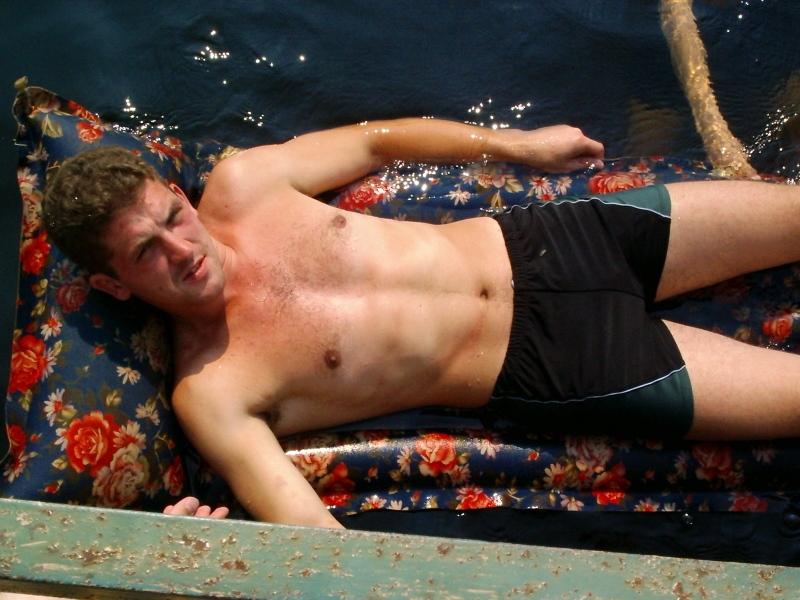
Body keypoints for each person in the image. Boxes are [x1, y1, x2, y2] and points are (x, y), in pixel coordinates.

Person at [42, 119, 800, 529]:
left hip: (556, 241)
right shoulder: (211, 389)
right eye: (146, 252)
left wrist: (517, 144)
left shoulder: (245, 183)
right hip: (566, 362)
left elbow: (374, 140)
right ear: (113, 283)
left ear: (179, 194)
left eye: (172, 218)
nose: (182, 250)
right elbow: (307, 531)